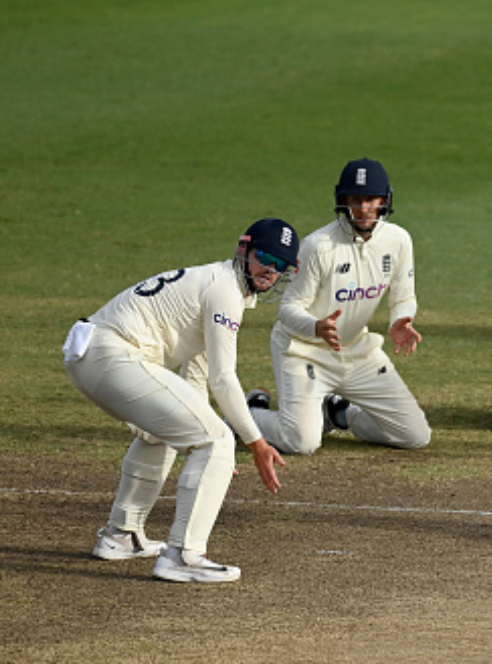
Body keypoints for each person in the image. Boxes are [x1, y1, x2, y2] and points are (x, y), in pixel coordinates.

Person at [64, 218, 298, 583]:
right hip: (113, 355)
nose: (270, 271)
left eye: (281, 265)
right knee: (218, 438)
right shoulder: (224, 290)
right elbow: (224, 378)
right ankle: (184, 556)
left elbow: (199, 376)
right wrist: (255, 442)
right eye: (265, 257)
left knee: (167, 433)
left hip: (91, 357)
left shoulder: (217, 285)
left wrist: (204, 445)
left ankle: (122, 535)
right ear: (244, 250)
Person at [248, 157, 431, 454]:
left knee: (415, 436)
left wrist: (402, 318)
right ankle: (247, 414)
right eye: (355, 200)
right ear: (343, 200)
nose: (363, 208)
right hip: (305, 351)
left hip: (358, 351)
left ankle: (339, 413)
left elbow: (404, 297)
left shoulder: (398, 240)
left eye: (370, 200)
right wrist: (315, 327)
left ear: (385, 200)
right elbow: (288, 307)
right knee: (302, 442)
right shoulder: (318, 245)